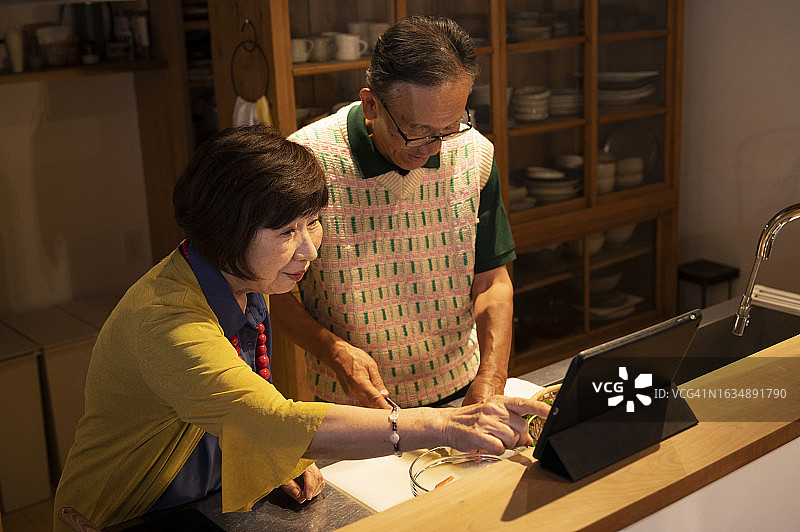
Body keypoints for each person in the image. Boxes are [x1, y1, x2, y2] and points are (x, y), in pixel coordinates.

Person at [52, 125, 549, 531]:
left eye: (312, 222)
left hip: (196, 501)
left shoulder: (243, 277)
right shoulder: (167, 322)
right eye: (287, 231)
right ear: (226, 229)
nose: (310, 248)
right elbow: (267, 416)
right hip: (119, 516)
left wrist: (277, 459)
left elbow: (238, 404)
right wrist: (440, 424)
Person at [271, 15, 516, 409]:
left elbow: (491, 280)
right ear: (371, 104)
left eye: (450, 126)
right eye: (417, 131)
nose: (434, 146)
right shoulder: (307, 162)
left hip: (460, 387)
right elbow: (272, 292)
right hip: (356, 402)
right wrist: (333, 352)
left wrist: (491, 376)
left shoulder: (474, 154)